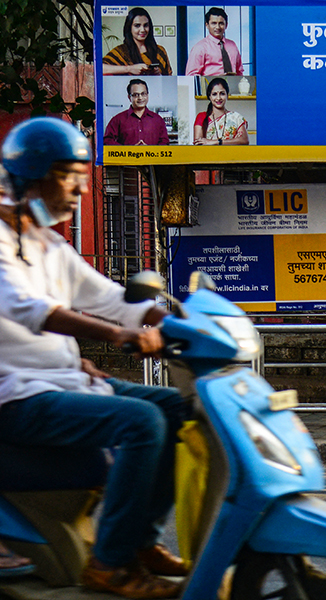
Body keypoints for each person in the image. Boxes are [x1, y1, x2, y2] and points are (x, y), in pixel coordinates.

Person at [0, 117, 187, 599]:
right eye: (71, 177)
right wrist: (121, 336)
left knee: (176, 407)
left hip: (61, 384)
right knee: (142, 422)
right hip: (18, 398)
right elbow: (31, 309)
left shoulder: (49, 245)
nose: (82, 190)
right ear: (32, 178)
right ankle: (110, 563)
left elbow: (109, 296)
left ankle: (140, 541)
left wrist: (165, 318)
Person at [102, 7, 172, 76]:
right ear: (129, 28)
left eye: (146, 25)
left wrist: (159, 75)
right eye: (137, 26)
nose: (142, 30)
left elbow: (169, 78)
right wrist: (129, 69)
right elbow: (100, 68)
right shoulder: (121, 52)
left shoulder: (160, 51)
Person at [103, 79, 170, 146]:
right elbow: (107, 141)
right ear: (129, 97)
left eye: (143, 94)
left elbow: (165, 143)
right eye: (135, 95)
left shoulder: (158, 120)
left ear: (147, 95)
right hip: (127, 156)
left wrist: (150, 150)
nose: (140, 98)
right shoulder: (117, 119)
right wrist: (128, 151)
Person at [184, 7, 243, 76]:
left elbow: (239, 72)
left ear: (226, 25)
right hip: (211, 86)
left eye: (221, 23)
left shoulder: (233, 45)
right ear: (207, 25)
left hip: (232, 85)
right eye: (214, 23)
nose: (217, 27)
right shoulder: (200, 47)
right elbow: (191, 75)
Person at [193, 78, 249, 145]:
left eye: (222, 94)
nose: (218, 98)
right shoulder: (201, 117)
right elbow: (198, 144)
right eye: (214, 94)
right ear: (209, 97)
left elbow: (244, 140)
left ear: (227, 95)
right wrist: (233, 141)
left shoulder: (236, 117)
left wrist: (216, 142)